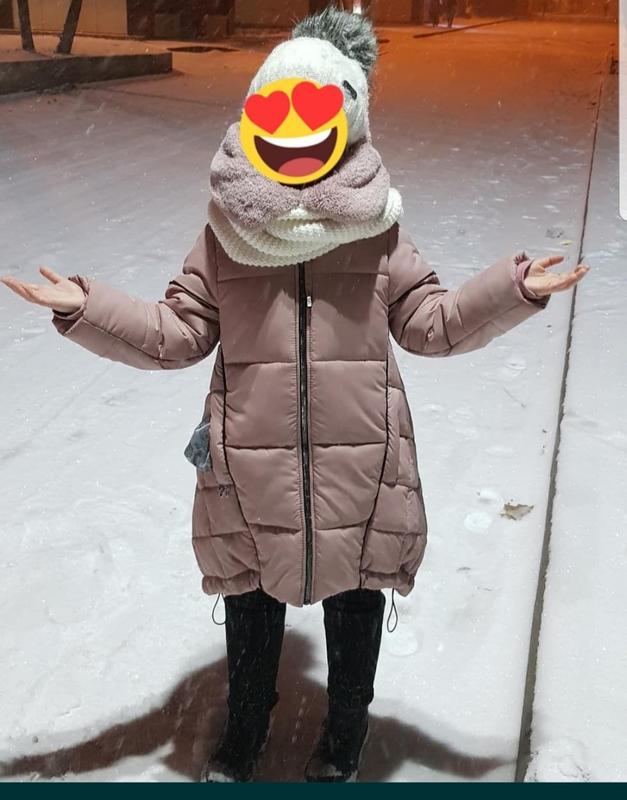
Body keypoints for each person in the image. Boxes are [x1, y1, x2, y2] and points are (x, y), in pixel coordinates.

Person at [1, 5, 589, 784]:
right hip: (249, 467)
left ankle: (343, 735)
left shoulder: (378, 232)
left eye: (312, 115)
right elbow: (177, 332)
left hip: (362, 465)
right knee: (250, 606)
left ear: (346, 123)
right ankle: (244, 731)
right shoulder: (224, 235)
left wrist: (510, 291)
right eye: (274, 114)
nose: (293, 135)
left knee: (355, 606)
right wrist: (86, 306)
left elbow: (432, 323)